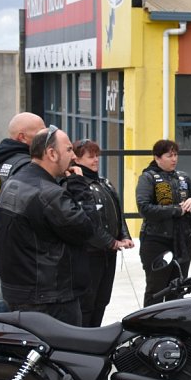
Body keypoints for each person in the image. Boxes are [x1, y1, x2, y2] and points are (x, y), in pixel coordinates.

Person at [0, 124, 99, 380]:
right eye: (68, 149)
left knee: (36, 363)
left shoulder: (16, 182)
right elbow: (85, 226)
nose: (73, 155)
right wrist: (79, 182)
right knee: (60, 366)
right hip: (51, 293)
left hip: (24, 288)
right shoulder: (49, 192)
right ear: (51, 153)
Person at [0, 112, 46, 312]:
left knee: (3, 303)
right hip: (16, 253)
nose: (45, 137)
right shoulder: (25, 166)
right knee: (9, 314)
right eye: (40, 133)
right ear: (22, 137)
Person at [71, 139, 134, 327]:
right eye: (91, 156)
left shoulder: (104, 182)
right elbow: (86, 222)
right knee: (87, 303)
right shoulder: (76, 184)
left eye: (97, 156)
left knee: (102, 299)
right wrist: (111, 242)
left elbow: (117, 213)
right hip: (89, 253)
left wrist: (124, 236)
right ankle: (84, 340)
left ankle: (95, 334)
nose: (96, 160)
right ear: (77, 159)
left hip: (108, 253)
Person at [136, 139, 191, 306]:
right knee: (156, 289)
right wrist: (175, 210)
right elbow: (144, 208)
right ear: (157, 158)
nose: (174, 159)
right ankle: (151, 329)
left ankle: (174, 328)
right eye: (169, 156)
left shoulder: (183, 177)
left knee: (178, 288)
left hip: (182, 240)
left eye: (176, 155)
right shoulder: (148, 178)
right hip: (157, 240)